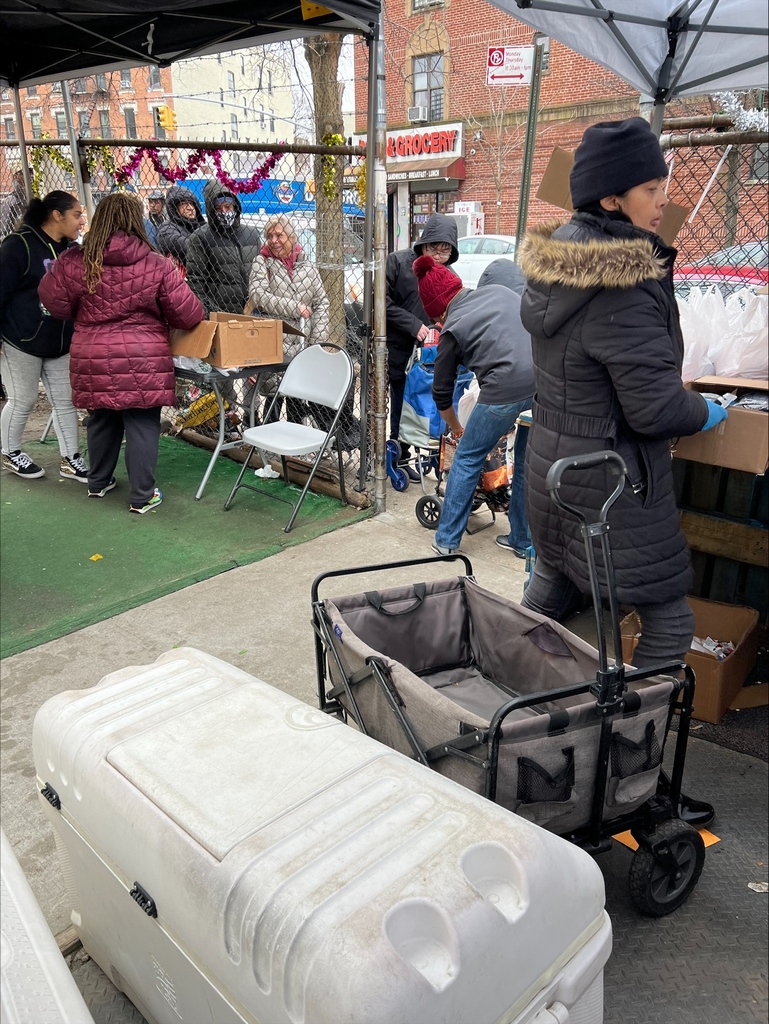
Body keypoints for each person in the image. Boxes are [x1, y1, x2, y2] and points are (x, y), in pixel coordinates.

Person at [517, 116, 727, 669]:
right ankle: (631, 744)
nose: (664, 202)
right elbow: (654, 408)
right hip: (610, 478)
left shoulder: (560, 262)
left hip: (550, 465)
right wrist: (708, 411)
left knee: (552, 588)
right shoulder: (624, 284)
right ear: (612, 200)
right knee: (671, 622)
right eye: (652, 191)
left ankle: (510, 685)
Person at [38, 191, 204, 514]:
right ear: (136, 221)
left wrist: (80, 311)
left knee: (101, 417)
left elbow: (50, 297)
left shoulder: (76, 260)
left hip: (92, 354)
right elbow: (189, 314)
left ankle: (98, 482)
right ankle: (142, 496)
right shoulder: (156, 263)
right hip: (144, 357)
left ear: (99, 220)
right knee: (142, 422)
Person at [412, 253, 534, 557]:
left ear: (439, 312)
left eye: (436, 318)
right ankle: (522, 540)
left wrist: (457, 429)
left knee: (467, 458)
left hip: (504, 390)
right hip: (545, 383)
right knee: (526, 462)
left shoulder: (451, 328)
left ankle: (446, 541)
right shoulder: (501, 291)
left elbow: (441, 392)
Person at [1, 190, 87, 481]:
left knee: (66, 401)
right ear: (57, 215)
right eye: (76, 214)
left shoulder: (72, 250)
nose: (81, 221)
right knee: (22, 399)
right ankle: (10, 451)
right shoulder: (18, 245)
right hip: (21, 340)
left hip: (60, 341)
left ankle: (71, 458)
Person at [386, 213, 459, 481]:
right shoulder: (397, 262)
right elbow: (381, 302)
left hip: (430, 356)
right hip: (399, 348)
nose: (438, 256)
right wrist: (414, 324)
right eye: (433, 249)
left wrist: (440, 329)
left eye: (445, 251)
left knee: (427, 408)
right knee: (400, 403)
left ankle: (424, 457)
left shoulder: (450, 275)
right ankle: (398, 456)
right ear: (423, 245)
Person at [248, 214, 330, 424]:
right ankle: (268, 443)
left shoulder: (308, 267)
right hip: (276, 343)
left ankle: (297, 445)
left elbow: (322, 303)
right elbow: (259, 296)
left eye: (279, 235)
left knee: (298, 396)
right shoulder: (262, 263)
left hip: (304, 344)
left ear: (292, 237)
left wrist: (317, 341)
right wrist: (296, 308)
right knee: (275, 396)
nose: (274, 240)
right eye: (269, 236)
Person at [476, 258, 532, 557]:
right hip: (549, 395)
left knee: (471, 453)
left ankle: (521, 539)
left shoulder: (493, 313)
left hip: (509, 395)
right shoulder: (536, 305)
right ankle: (526, 541)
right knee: (529, 464)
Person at [186, 180, 262, 316]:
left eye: (228, 207)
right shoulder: (201, 238)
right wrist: (210, 314)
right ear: (211, 210)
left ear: (235, 206)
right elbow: (196, 282)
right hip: (221, 315)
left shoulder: (252, 234)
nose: (224, 212)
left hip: (254, 313)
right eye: (218, 208)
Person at [155, 185, 205, 275]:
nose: (190, 208)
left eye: (191, 203)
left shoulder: (202, 226)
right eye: (184, 204)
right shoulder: (166, 228)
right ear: (175, 209)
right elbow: (183, 246)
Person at [1, 168, 27, 238]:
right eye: (21, 174)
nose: (31, 177)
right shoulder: (9, 201)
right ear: (16, 178)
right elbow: (3, 229)